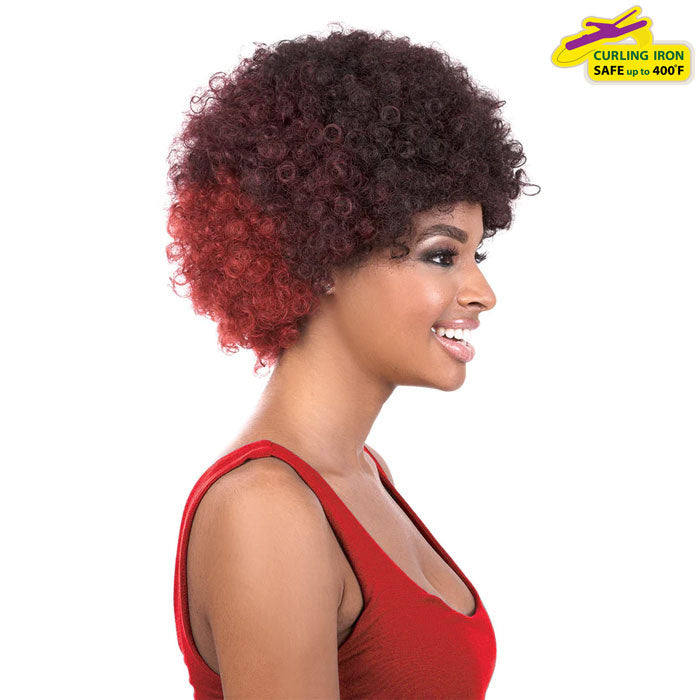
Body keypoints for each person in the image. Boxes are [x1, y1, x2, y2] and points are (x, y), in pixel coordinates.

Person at [166, 25, 537, 699]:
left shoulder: (363, 473)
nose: (482, 293)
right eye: (440, 254)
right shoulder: (267, 509)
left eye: (475, 255)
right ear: (321, 256)